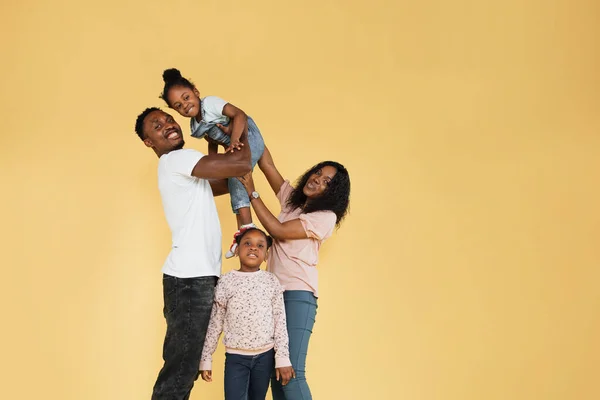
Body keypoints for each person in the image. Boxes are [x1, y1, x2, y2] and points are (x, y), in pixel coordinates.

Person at [133, 107, 251, 400]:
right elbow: (241, 163)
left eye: (169, 119)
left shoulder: (180, 168)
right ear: (149, 143)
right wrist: (239, 129)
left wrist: (222, 151)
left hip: (193, 278)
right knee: (180, 372)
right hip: (190, 280)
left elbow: (227, 180)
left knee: (183, 369)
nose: (168, 125)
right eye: (157, 126)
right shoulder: (178, 159)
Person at [237, 144, 351, 400]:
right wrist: (246, 127)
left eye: (326, 181)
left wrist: (251, 192)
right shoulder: (293, 202)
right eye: (318, 173)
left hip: (298, 295)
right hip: (272, 296)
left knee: (292, 372)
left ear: (332, 192)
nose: (317, 179)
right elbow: (267, 164)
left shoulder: (325, 216)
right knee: (277, 372)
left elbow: (278, 230)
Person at [160, 67, 266, 258]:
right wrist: (213, 162)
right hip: (233, 149)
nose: (184, 105)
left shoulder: (210, 104)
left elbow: (239, 115)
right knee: (233, 182)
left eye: (186, 98)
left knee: (237, 175)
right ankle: (241, 232)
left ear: (196, 92)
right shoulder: (195, 126)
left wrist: (234, 140)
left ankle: (248, 228)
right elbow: (212, 141)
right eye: (178, 105)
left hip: (247, 137)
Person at [199, 228, 295, 400]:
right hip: (236, 358)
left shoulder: (271, 281)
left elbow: (280, 322)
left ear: (266, 255)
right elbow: (215, 323)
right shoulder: (227, 281)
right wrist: (206, 358)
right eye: (247, 243)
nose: (253, 248)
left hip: (265, 357)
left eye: (260, 245)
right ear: (237, 249)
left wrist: (282, 358)